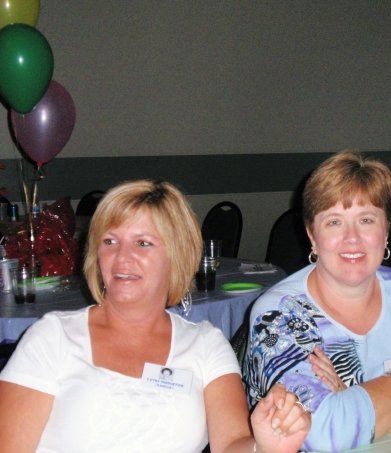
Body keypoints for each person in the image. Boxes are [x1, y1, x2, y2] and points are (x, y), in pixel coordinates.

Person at [0, 179, 310, 453]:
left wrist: (264, 447)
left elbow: (231, 444)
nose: (122, 257)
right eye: (110, 241)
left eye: (143, 243)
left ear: (177, 255)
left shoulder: (205, 344)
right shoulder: (53, 338)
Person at [242, 151, 391, 452]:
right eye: (334, 222)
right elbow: (321, 433)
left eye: (366, 220)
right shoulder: (280, 314)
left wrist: (349, 396)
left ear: (386, 229)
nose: (352, 238)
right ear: (312, 236)